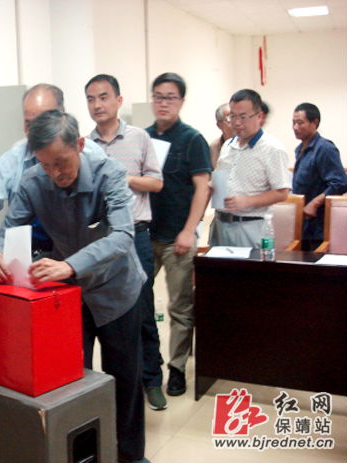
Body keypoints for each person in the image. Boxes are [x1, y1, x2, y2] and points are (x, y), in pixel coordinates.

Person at [0, 110, 147, 463]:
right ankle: (82, 455)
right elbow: (8, 230)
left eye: (61, 161)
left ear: (80, 144)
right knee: (73, 381)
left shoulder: (109, 174)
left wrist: (69, 265)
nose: (55, 173)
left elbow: (123, 235)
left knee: (125, 377)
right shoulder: (32, 183)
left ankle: (131, 455)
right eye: (45, 165)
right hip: (70, 297)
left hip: (117, 290)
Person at [85, 74, 166, 411]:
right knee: (105, 319)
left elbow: (156, 183)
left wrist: (122, 177)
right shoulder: (83, 144)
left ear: (118, 100)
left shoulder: (139, 137)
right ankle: (105, 387)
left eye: (104, 97)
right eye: (91, 99)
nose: (97, 105)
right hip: (100, 241)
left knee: (142, 312)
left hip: (135, 237)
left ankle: (152, 380)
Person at [0, 83, 106, 257]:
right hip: (33, 254)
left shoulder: (92, 153)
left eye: (41, 122)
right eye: (28, 124)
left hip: (83, 255)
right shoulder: (15, 157)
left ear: (60, 115)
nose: (33, 132)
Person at [145, 73, 211, 397]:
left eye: (170, 97)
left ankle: (177, 369)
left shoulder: (192, 139)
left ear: (181, 102)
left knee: (180, 308)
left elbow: (203, 188)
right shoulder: (142, 137)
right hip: (145, 236)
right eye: (158, 96)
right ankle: (149, 366)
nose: (163, 103)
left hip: (178, 240)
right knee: (140, 305)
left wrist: (189, 230)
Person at [210, 89, 291, 248]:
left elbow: (282, 192)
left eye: (243, 117)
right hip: (220, 223)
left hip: (250, 226)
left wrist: (248, 201)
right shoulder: (227, 146)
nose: (236, 123)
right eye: (232, 117)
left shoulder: (273, 149)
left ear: (259, 117)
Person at [292, 103, 347, 251]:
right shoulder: (300, 149)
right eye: (293, 122)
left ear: (314, 123)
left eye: (300, 123)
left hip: (318, 227)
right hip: (302, 226)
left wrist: (315, 203)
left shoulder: (324, 148)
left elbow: (341, 182)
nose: (295, 127)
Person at [209, 103, 234, 170]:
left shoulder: (248, 144)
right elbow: (215, 173)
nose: (236, 123)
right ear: (219, 125)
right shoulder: (214, 147)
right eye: (230, 119)